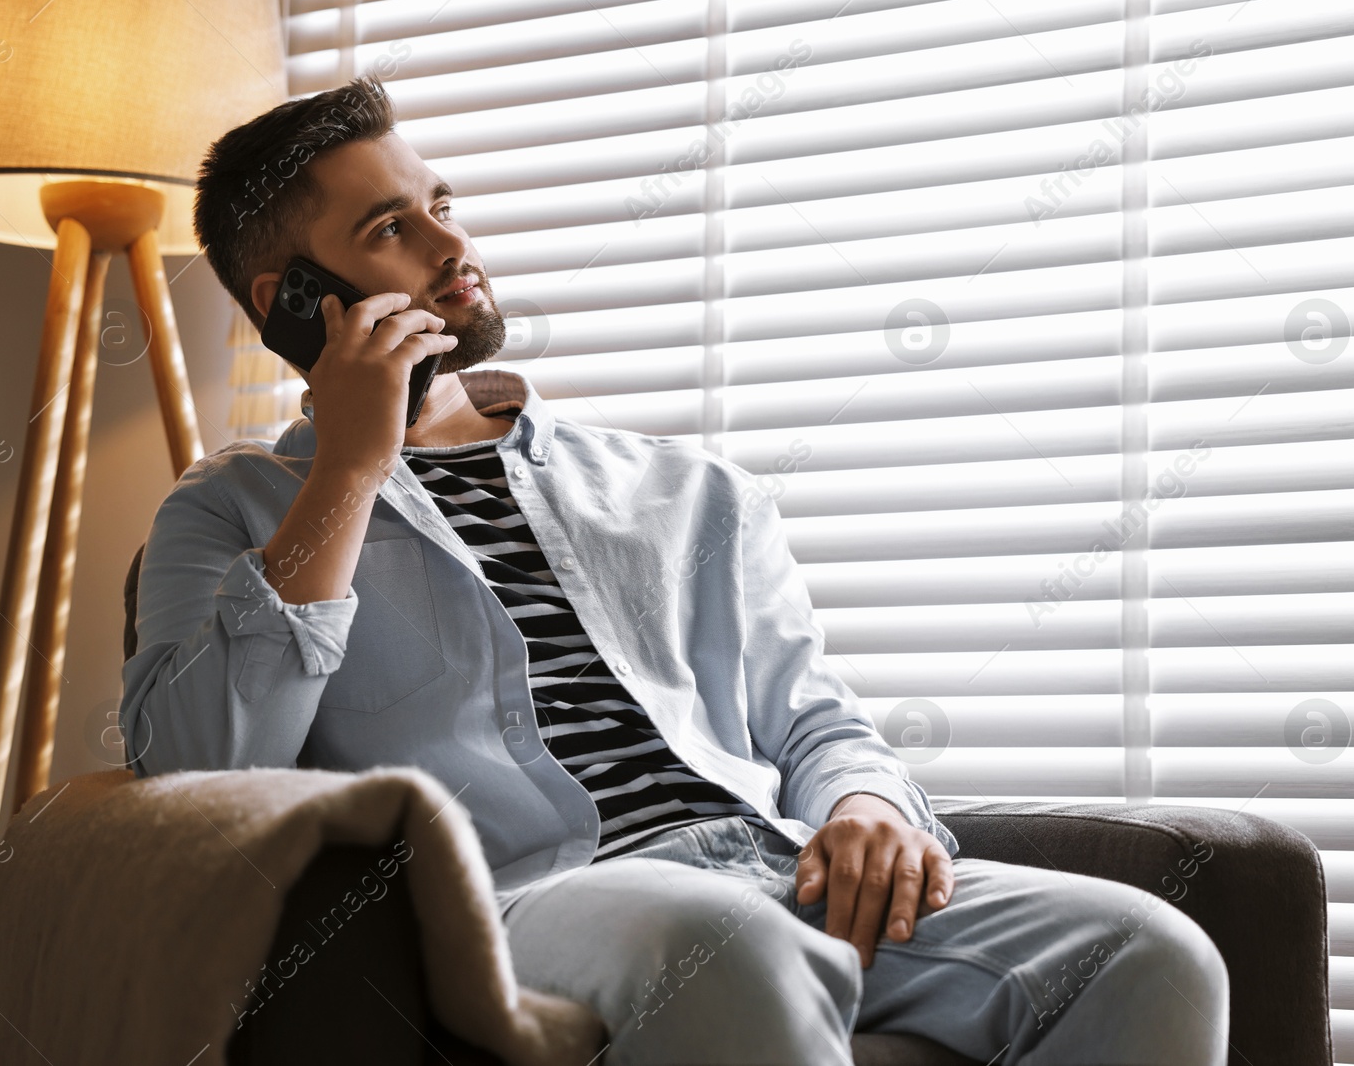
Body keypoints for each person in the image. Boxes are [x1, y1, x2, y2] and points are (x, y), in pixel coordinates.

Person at [119, 73, 1229, 1065]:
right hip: (533, 896)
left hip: (770, 860)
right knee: (722, 945)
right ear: (294, 301)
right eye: (390, 228)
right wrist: (350, 472)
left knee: (1151, 948)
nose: (451, 246)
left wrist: (866, 802)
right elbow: (199, 766)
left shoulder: (685, 489)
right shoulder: (230, 512)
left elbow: (814, 720)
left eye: (442, 206)